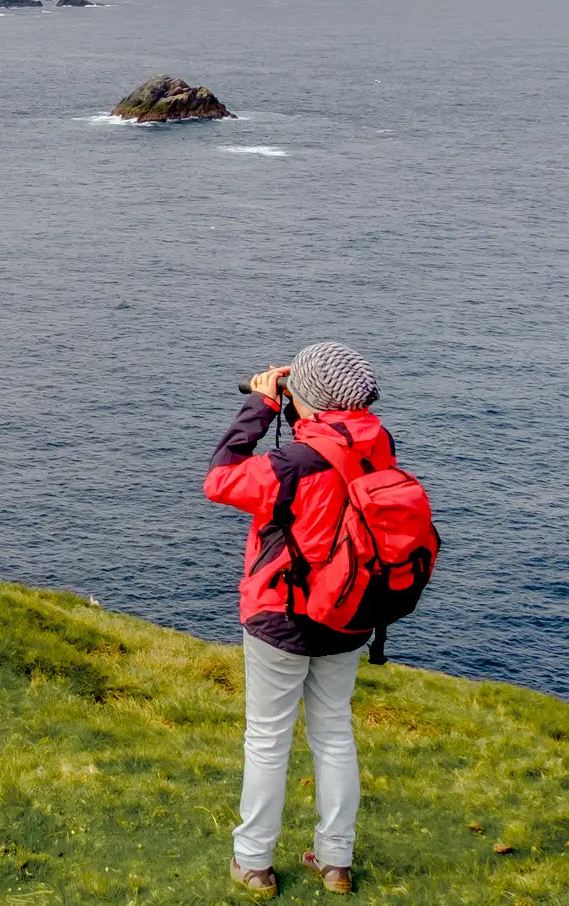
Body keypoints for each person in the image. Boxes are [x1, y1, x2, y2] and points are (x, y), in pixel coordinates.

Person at [204, 340, 389, 898]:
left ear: (304, 397)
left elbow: (220, 480)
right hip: (352, 613)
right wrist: (299, 407)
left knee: (267, 738)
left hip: (284, 615)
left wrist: (259, 408)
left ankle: (254, 862)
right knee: (333, 731)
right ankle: (336, 862)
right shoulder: (378, 450)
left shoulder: (293, 463)